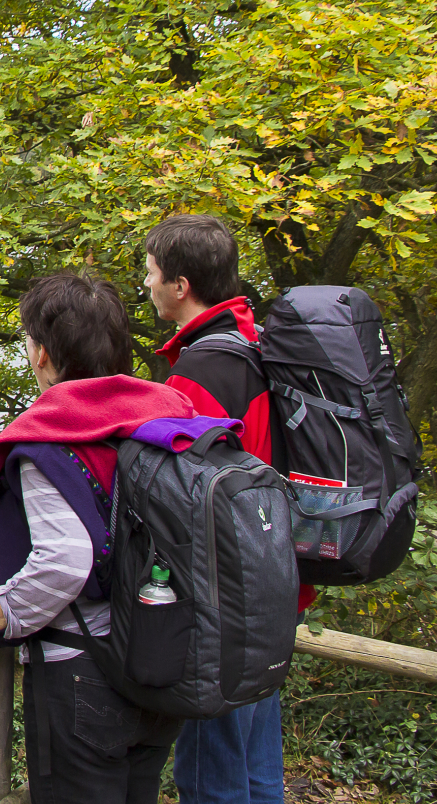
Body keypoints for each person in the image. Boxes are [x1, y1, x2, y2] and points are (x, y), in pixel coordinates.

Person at [0, 271, 197, 804]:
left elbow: (66, 559)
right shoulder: (166, 415)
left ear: (43, 354)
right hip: (161, 658)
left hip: (84, 672)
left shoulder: (55, 442)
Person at [143, 213, 308, 804]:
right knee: (258, 760)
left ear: (180, 285)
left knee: (211, 772)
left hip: (227, 594)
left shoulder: (201, 372)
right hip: (276, 579)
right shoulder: (256, 344)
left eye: (152, 272)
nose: (147, 283)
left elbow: (184, 494)